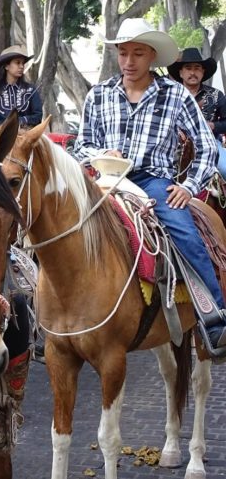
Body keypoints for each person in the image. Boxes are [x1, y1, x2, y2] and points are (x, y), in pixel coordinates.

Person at [74, 18, 226, 353]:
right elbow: (80, 145)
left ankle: (213, 317)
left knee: (185, 232)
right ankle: (51, 319)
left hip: (152, 181)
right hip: (104, 180)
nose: (129, 61)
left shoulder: (174, 95)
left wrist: (188, 186)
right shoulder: (98, 95)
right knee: (58, 224)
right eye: (123, 53)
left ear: (152, 56)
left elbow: (207, 146)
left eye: (138, 54)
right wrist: (101, 153)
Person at [168, 48, 226, 178]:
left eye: (197, 68)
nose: (193, 72)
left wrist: (213, 126)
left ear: (203, 71)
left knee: (225, 168)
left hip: (210, 142)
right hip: (173, 144)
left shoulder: (216, 95)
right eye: (188, 68)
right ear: (181, 72)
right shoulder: (170, 96)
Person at [0, 45, 42, 129]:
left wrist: (21, 120)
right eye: (17, 62)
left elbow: (38, 116)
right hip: (1, 138)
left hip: (25, 137)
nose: (21, 66)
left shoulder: (31, 89)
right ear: (6, 66)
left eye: (22, 63)